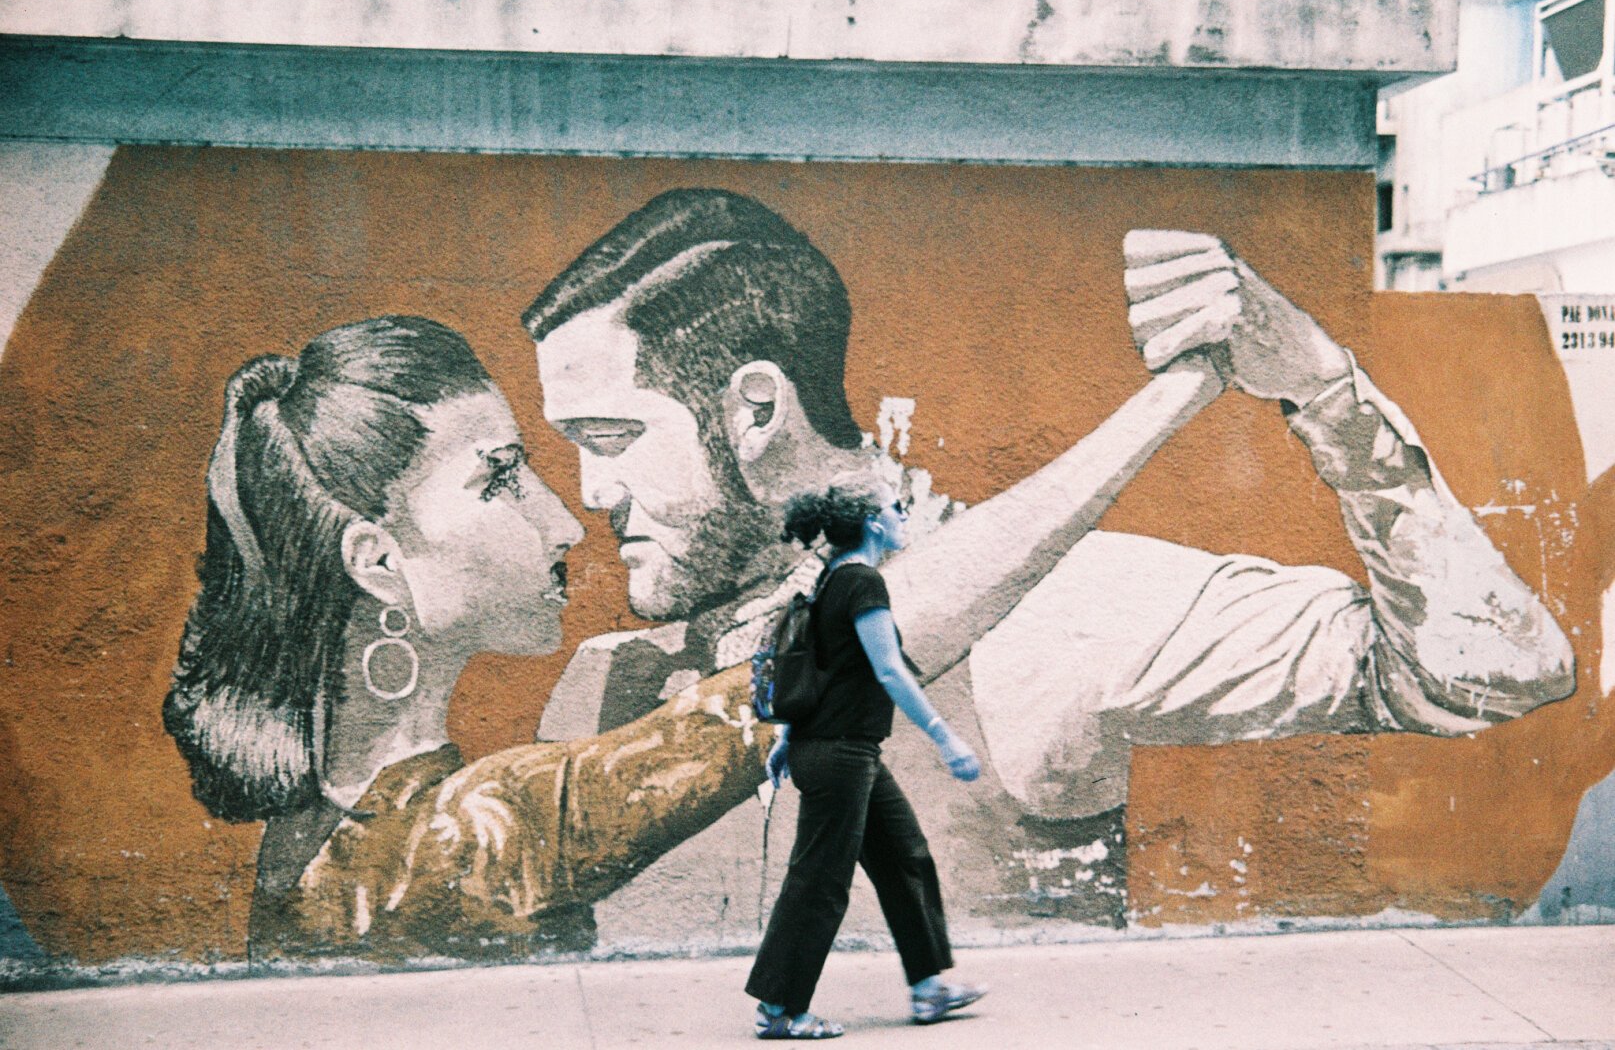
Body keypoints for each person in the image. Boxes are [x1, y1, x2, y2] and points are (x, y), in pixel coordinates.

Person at [523, 188, 1574, 840]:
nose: (588, 493)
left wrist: (1327, 394)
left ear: (755, 409)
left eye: (609, 439)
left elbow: (1495, 673)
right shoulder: (602, 682)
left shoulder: (1056, 622)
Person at [163, 315, 770, 962]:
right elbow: (802, 682)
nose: (565, 523)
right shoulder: (464, 830)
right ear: (378, 563)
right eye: (500, 479)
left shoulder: (304, 828)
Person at [745, 473, 985, 1039]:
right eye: (897, 507)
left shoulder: (832, 580)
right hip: (842, 756)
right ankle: (779, 1010)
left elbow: (822, 668)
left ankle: (929, 989)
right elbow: (887, 669)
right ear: (875, 522)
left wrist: (787, 740)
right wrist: (945, 737)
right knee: (820, 882)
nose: (904, 515)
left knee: (905, 855)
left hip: (841, 751)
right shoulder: (862, 583)